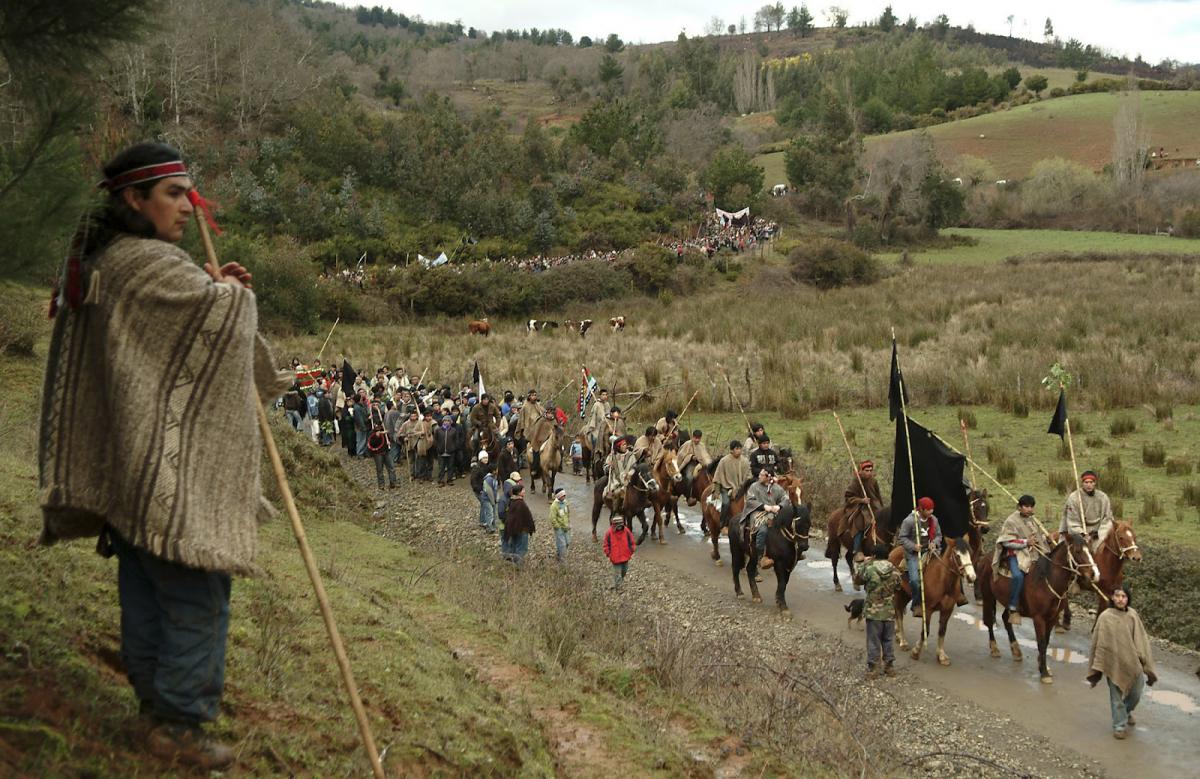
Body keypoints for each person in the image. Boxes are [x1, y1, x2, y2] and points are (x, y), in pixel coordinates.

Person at [38, 142, 292, 769]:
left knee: (146, 592)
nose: (187, 208)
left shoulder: (115, 261)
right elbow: (219, 323)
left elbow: (179, 324)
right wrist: (228, 297)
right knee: (195, 598)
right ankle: (178, 721)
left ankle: (153, 709)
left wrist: (210, 289)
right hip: (173, 485)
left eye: (188, 194)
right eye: (173, 195)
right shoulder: (147, 264)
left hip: (134, 472)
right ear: (134, 198)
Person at [1088, 585, 1157, 739]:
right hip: (1113, 663)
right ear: (1112, 598)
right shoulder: (1105, 617)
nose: (1120, 599)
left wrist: (1144, 661)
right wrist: (1100, 663)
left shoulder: (1133, 615)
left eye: (1123, 596)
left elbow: (1141, 639)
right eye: (1117, 596)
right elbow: (1098, 643)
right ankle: (1119, 726)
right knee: (1116, 697)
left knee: (1136, 693)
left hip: (1133, 663)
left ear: (1128, 599)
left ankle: (1125, 712)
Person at [995, 494, 1047, 626]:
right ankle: (1013, 606)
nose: (1029, 509)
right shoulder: (1011, 520)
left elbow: (1039, 537)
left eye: (1031, 507)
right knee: (1018, 576)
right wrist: (1025, 542)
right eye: (1026, 506)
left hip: (1033, 553)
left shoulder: (1032, 520)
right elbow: (1006, 541)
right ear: (1019, 507)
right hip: (1015, 553)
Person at [854, 543, 902, 678]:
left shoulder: (869, 569)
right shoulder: (894, 570)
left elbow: (857, 580)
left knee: (873, 640)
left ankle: (873, 668)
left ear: (874, 555)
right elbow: (898, 586)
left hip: (873, 611)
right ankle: (889, 667)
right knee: (888, 639)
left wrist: (864, 563)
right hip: (889, 611)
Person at [897, 497, 942, 618]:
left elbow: (938, 535)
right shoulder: (909, 521)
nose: (930, 512)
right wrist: (913, 546)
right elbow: (902, 538)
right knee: (915, 580)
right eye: (928, 510)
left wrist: (935, 543)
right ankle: (916, 604)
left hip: (931, 551)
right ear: (921, 509)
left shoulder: (934, 520)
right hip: (913, 554)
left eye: (932, 510)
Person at [745, 468, 789, 570]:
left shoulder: (777, 488)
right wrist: (764, 506)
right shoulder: (754, 487)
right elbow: (750, 501)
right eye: (760, 474)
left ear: (768, 477)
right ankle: (760, 556)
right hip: (758, 513)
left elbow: (785, 498)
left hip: (774, 513)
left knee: (787, 527)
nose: (759, 476)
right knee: (763, 530)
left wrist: (779, 506)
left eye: (762, 475)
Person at [1062, 470, 1115, 553]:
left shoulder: (1103, 497)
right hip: (1080, 531)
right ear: (1082, 483)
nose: (1088, 485)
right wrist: (1082, 533)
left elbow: (1108, 518)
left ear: (1095, 483)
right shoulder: (1074, 498)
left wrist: (1099, 534)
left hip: (1098, 532)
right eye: (1086, 482)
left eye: (1091, 482)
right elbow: (1072, 521)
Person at [842, 460, 884, 564]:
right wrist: (861, 500)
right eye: (866, 470)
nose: (869, 472)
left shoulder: (874, 481)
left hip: (873, 505)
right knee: (860, 522)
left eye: (870, 470)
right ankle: (857, 549)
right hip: (859, 506)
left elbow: (878, 496)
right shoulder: (856, 481)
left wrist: (881, 507)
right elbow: (848, 497)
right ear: (862, 470)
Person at [712, 440, 752, 529]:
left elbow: (749, 475)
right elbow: (718, 476)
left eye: (740, 449)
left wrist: (744, 485)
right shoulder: (724, 461)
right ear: (731, 450)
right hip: (726, 487)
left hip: (742, 487)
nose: (739, 451)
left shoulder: (745, 461)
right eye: (736, 449)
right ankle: (723, 522)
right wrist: (717, 491)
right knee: (726, 503)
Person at [675, 428, 713, 503]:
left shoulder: (701, 445)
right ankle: (689, 497)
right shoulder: (687, 444)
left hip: (700, 464)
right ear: (693, 437)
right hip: (689, 463)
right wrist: (691, 456)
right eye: (695, 438)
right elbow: (681, 455)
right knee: (689, 477)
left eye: (698, 438)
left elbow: (705, 456)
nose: (697, 440)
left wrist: (706, 462)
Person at [603, 437, 637, 516]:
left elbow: (634, 467)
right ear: (618, 447)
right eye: (623, 445)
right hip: (616, 480)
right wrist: (609, 466)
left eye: (625, 444)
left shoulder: (631, 455)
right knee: (616, 492)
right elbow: (605, 468)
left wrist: (630, 474)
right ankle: (615, 511)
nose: (625, 446)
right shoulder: (612, 456)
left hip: (628, 479)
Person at [503, 484, 535, 565]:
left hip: (513, 530)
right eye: (523, 490)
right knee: (521, 549)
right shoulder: (520, 504)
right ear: (519, 492)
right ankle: (518, 567)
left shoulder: (512, 501)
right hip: (521, 530)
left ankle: (513, 566)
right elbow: (527, 517)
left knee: (514, 547)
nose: (524, 491)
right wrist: (530, 528)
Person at [603, 515, 636, 591]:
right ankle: (619, 587)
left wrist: (631, 551)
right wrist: (609, 554)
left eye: (621, 526)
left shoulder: (626, 531)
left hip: (625, 556)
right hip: (615, 558)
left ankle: (617, 582)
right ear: (614, 525)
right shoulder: (609, 533)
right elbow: (605, 545)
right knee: (617, 573)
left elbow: (632, 541)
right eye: (618, 526)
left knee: (624, 571)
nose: (619, 527)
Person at [471, 452, 495, 530]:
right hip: (479, 490)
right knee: (488, 506)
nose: (486, 459)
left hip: (484, 490)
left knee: (483, 504)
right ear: (480, 459)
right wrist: (479, 490)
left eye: (486, 458)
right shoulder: (477, 468)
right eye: (484, 458)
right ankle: (488, 524)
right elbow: (473, 481)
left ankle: (482, 521)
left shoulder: (487, 467)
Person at [433, 416, 459, 486]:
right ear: (442, 422)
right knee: (441, 467)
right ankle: (440, 480)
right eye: (445, 421)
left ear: (450, 422)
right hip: (441, 452)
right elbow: (435, 440)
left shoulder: (454, 430)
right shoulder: (438, 430)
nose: (446, 422)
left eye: (448, 421)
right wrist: (438, 448)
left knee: (450, 467)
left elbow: (456, 440)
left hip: (451, 452)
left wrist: (454, 448)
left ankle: (449, 480)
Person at [549, 487, 570, 565]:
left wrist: (568, 522)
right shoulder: (554, 506)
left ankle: (558, 554)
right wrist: (557, 526)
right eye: (563, 495)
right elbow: (552, 518)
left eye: (564, 495)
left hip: (566, 527)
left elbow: (567, 513)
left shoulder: (566, 503)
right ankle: (562, 561)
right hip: (559, 528)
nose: (564, 497)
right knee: (562, 544)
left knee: (567, 542)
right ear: (558, 496)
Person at [481, 463, 499, 534]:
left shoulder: (494, 478)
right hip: (487, 499)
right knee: (490, 513)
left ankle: (493, 525)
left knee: (493, 512)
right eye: (497, 469)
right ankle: (489, 527)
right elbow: (489, 491)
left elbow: (495, 490)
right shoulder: (488, 479)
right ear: (493, 471)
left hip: (492, 499)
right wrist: (493, 501)